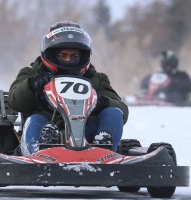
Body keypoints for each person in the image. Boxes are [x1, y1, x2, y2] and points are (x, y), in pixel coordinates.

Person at [8, 21, 128, 155]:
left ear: (82, 56)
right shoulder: (31, 74)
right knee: (35, 119)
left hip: (87, 140)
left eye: (74, 56)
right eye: (63, 55)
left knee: (114, 113)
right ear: (52, 54)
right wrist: (31, 85)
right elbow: (14, 101)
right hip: (43, 135)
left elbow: (122, 110)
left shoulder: (97, 79)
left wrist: (103, 102)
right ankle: (40, 153)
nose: (68, 60)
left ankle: (104, 150)